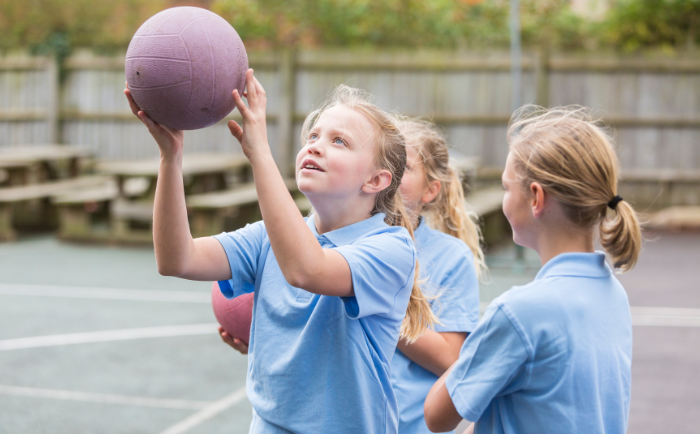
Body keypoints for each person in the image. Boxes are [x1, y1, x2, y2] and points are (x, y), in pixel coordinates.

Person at [124, 73, 436, 434]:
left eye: (340, 142)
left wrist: (259, 152)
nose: (316, 146)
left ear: (375, 181)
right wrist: (170, 157)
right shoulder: (268, 238)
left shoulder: (390, 248)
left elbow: (307, 270)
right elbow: (177, 259)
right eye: (314, 136)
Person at [424, 106, 641, 434]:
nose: (504, 198)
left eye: (506, 188)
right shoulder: (614, 295)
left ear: (536, 198)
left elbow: (436, 416)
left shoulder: (518, 313)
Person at [391, 120, 485, 434]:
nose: (388, 171)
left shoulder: (451, 257)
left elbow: (450, 357)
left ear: (430, 190)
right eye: (380, 159)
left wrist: (381, 304)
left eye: (402, 165)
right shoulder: (340, 244)